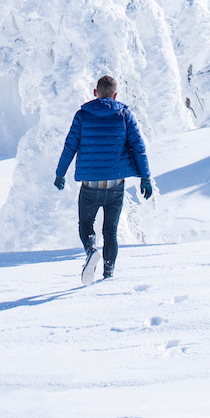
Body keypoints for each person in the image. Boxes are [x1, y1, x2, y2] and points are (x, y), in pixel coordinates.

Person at [53, 74, 153, 282]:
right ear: (115, 95)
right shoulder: (124, 114)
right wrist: (145, 177)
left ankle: (91, 250)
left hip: (90, 185)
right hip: (116, 185)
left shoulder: (82, 115)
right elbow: (138, 148)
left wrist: (60, 173)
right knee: (110, 230)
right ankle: (108, 273)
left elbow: (70, 146)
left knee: (86, 225)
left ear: (95, 93)